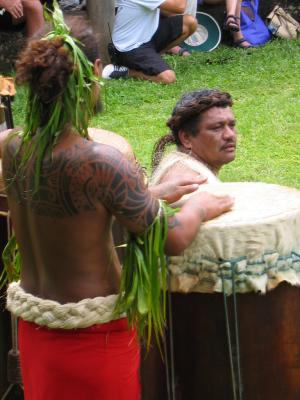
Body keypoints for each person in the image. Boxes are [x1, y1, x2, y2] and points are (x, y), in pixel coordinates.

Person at [0, 8, 233, 400]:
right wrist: (200, 207)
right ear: (94, 69)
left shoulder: (12, 147)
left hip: (36, 332)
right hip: (93, 340)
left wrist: (152, 195)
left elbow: (69, 207)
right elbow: (171, 238)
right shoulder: (104, 161)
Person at [151, 88, 237, 185]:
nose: (230, 135)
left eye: (232, 125)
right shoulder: (189, 182)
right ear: (186, 138)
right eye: (216, 128)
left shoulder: (185, 169)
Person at [102, 0, 197, 84]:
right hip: (130, 47)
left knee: (189, 23)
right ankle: (127, 71)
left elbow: (170, 13)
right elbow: (179, 7)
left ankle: (153, 58)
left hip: (148, 35)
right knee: (168, 78)